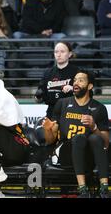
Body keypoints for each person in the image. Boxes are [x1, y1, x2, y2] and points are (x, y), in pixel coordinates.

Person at [43, 70, 109, 198]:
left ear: (90, 86)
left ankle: (104, 188)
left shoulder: (99, 108)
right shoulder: (62, 104)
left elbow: (105, 143)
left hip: (89, 157)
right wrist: (47, 129)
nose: (76, 83)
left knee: (95, 138)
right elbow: (50, 141)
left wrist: (94, 127)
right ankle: (83, 189)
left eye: (81, 80)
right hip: (66, 154)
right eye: (75, 80)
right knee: (78, 138)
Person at [35, 42, 79, 119]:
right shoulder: (48, 73)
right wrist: (38, 97)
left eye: (62, 51)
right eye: (56, 52)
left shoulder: (77, 72)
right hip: (51, 114)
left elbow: (87, 95)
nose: (59, 54)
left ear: (69, 54)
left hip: (71, 114)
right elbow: (39, 100)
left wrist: (73, 89)